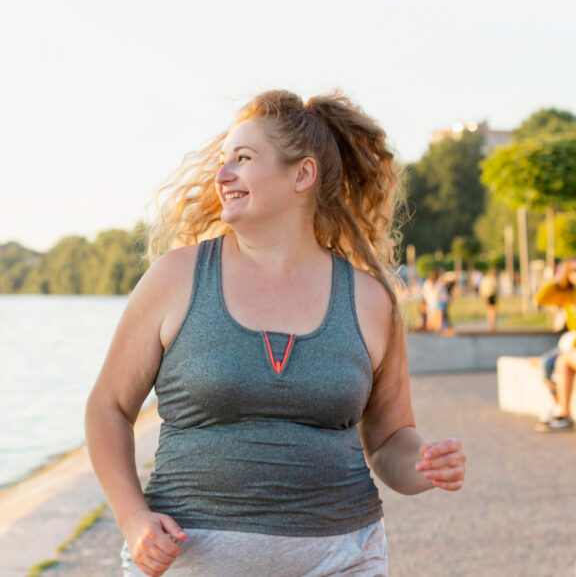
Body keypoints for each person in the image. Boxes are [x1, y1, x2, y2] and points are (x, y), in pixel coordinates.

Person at [85, 90, 466, 576]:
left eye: (242, 159)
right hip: (189, 564)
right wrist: (133, 518)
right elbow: (108, 407)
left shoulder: (371, 301)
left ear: (302, 175)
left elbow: (390, 438)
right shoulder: (175, 279)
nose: (222, 175)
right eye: (223, 161)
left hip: (342, 560)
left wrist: (424, 464)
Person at [534, 259, 576, 432]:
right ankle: (559, 408)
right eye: (573, 270)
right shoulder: (567, 294)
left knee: (561, 361)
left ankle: (563, 413)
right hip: (571, 344)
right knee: (547, 363)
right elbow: (540, 298)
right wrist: (558, 281)